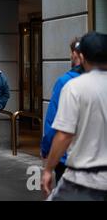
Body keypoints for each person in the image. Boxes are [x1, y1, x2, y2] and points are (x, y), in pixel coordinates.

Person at [42, 32, 107, 201]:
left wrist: (48, 168)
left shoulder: (74, 87)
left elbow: (64, 134)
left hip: (84, 179)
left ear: (82, 57)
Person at [41, 38, 84, 184]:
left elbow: (54, 122)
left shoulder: (65, 82)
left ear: (74, 54)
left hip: (68, 157)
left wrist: (46, 150)